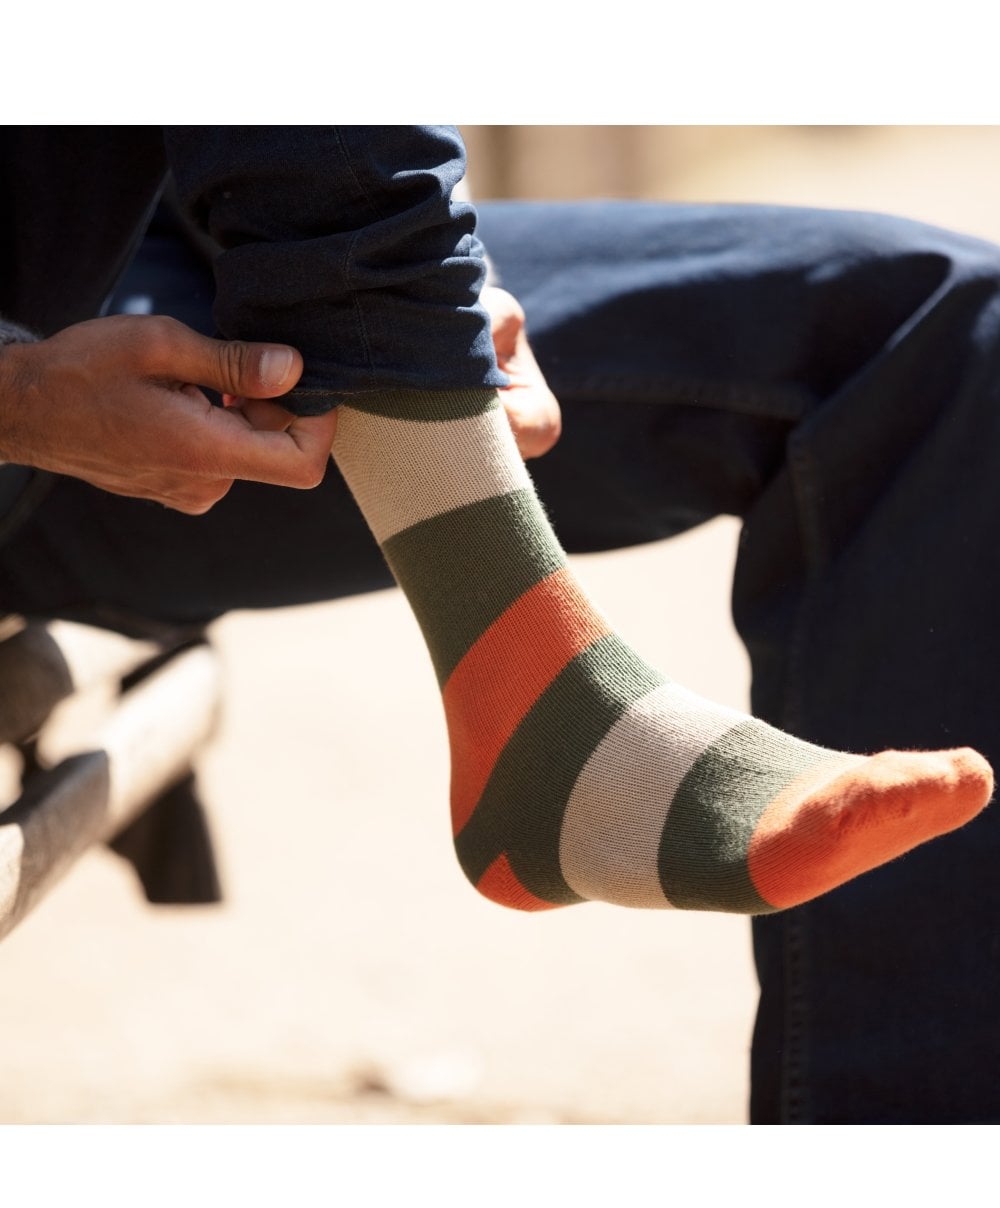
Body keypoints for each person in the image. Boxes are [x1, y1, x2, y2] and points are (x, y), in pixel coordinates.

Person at [0, 127, 997, 1119]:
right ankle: (541, 696)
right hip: (36, 418)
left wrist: (427, 273)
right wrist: (17, 401)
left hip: (126, 264)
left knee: (939, 321)